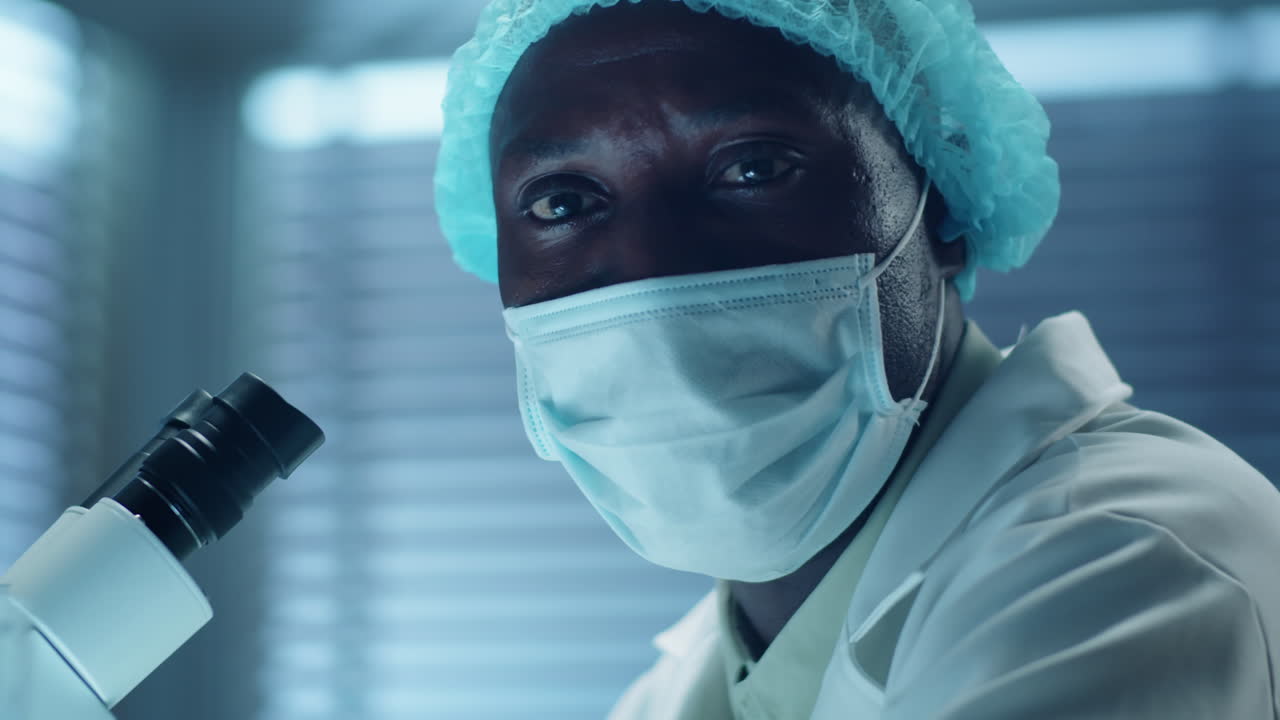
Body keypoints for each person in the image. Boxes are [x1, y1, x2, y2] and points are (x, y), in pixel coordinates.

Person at [433, 0, 1280, 717]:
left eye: (755, 167)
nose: (656, 272)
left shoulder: (1124, 563)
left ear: (942, 204)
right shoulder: (695, 683)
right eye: (562, 201)